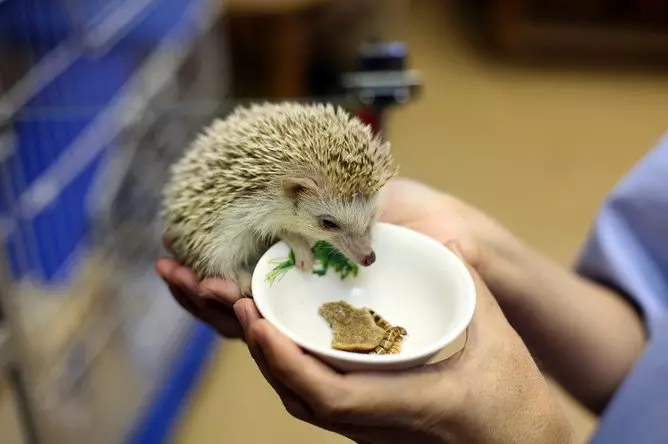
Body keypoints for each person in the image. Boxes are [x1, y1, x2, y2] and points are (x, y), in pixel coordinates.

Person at [155, 133, 668, 443]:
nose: (364, 251)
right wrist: (477, 243)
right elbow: (648, 352)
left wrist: (524, 436)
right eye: (334, 225)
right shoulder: (265, 200)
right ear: (291, 196)